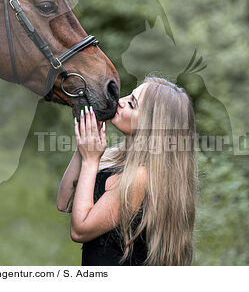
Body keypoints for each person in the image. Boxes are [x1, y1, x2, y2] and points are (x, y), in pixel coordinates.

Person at [56, 76, 198, 266]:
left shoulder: (140, 177)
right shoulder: (114, 157)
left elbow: (79, 230)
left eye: (132, 104)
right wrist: (84, 148)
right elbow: (64, 202)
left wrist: (90, 161)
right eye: (129, 96)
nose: (120, 102)